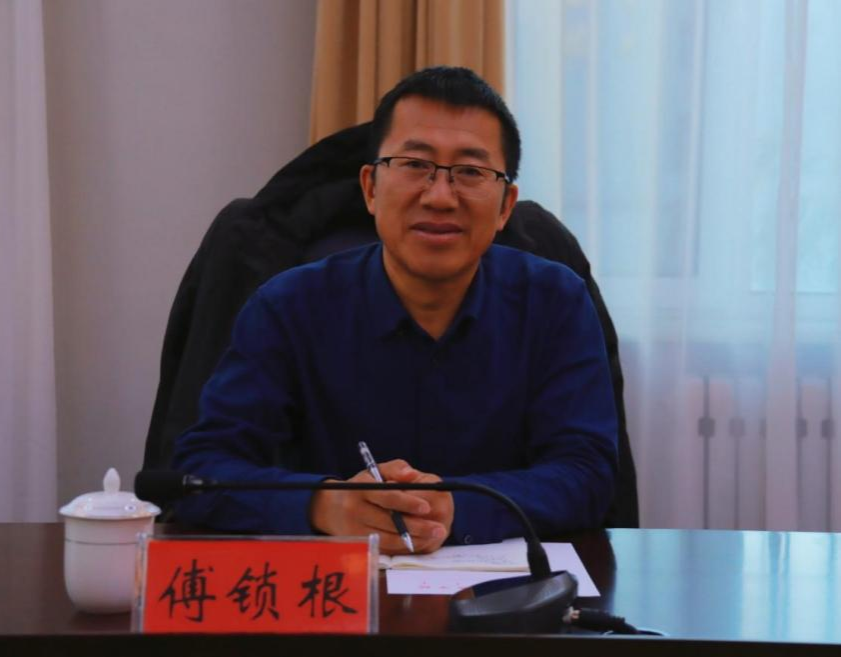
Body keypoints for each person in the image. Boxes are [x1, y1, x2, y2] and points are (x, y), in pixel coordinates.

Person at [172, 66, 618, 554]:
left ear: (506, 206)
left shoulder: (555, 302)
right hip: (338, 591)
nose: (440, 196)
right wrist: (326, 504)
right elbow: (201, 470)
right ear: (370, 188)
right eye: (414, 164)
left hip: (508, 594)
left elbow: (588, 474)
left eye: (470, 172)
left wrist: (457, 507)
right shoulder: (288, 307)